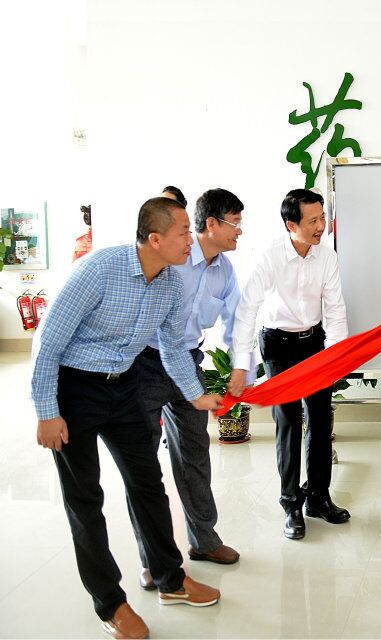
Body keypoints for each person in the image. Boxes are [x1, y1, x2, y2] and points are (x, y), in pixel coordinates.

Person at [31, 197, 224, 639]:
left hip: (126, 385)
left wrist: (195, 395)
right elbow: (48, 340)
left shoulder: (171, 284)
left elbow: (172, 347)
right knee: (86, 499)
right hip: (74, 387)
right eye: (183, 231)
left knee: (148, 484)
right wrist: (47, 411)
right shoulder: (100, 270)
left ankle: (170, 580)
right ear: (155, 239)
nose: (190, 240)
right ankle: (110, 604)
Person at [131, 188, 250, 590]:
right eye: (235, 222)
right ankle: (154, 559)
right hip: (145, 364)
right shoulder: (172, 259)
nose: (240, 231)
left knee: (195, 454)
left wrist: (240, 365)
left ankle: (204, 540)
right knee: (143, 466)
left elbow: (236, 319)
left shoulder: (224, 271)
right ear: (211, 224)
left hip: (188, 363)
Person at [228, 188, 349, 540]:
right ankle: (291, 504)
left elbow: (336, 307)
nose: (321, 226)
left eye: (322, 218)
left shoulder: (327, 256)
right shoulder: (270, 257)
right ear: (291, 225)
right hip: (278, 344)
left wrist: (336, 353)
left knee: (320, 418)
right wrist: (242, 362)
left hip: (313, 342)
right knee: (289, 422)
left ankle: (318, 497)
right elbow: (248, 308)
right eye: (313, 221)